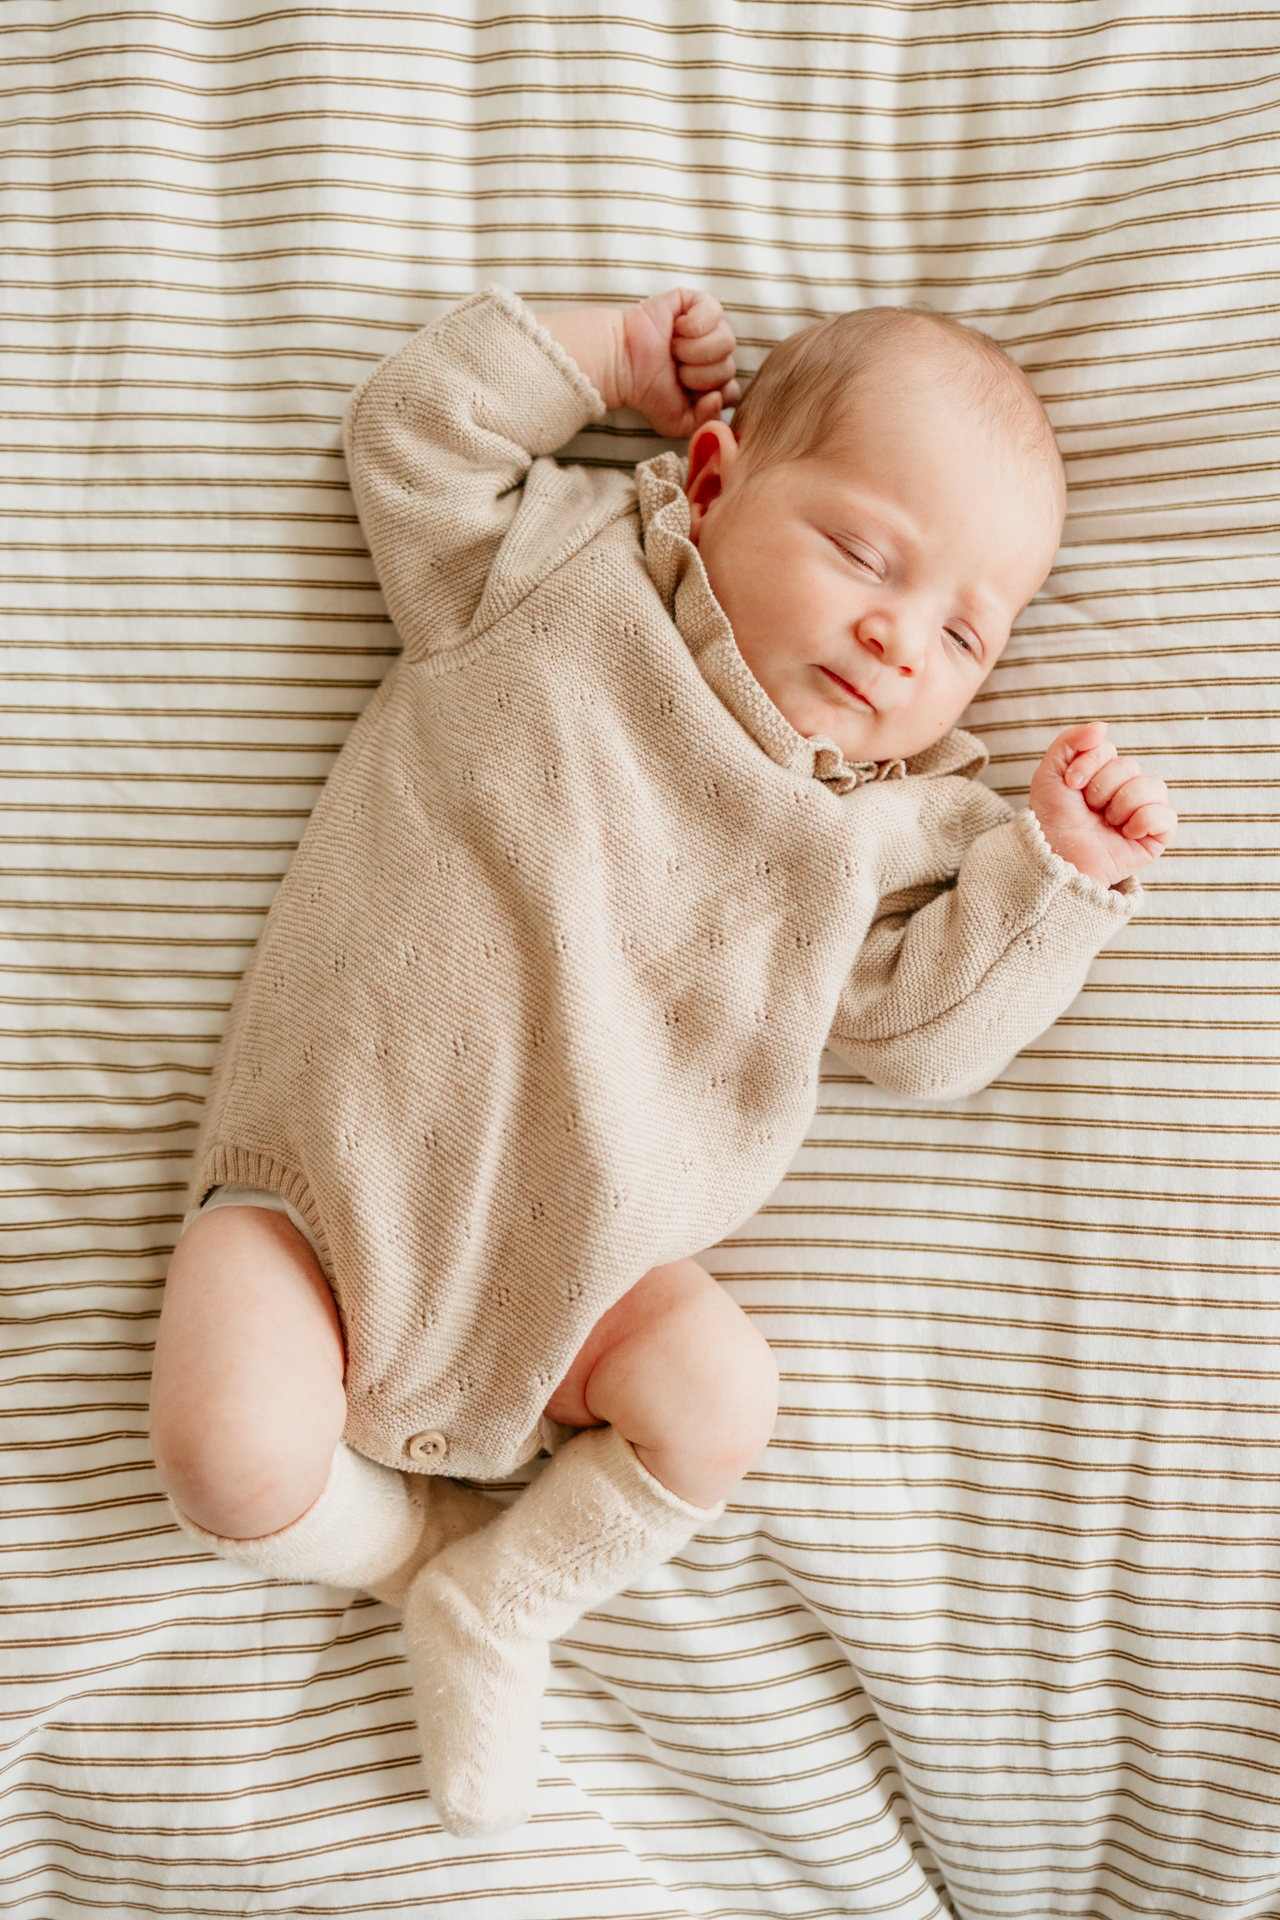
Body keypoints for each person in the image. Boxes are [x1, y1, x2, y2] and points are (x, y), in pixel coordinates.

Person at [149, 286, 1176, 1837]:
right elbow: (415, 433)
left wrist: (1059, 879)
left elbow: (924, 1041)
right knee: (226, 1452)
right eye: (864, 554)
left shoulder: (887, 830)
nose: (901, 636)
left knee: (720, 1394)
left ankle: (504, 1600)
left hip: (592, 1285)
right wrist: (611, 357)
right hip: (325, 1191)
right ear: (710, 478)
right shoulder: (558, 574)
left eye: (967, 633)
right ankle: (406, 1556)